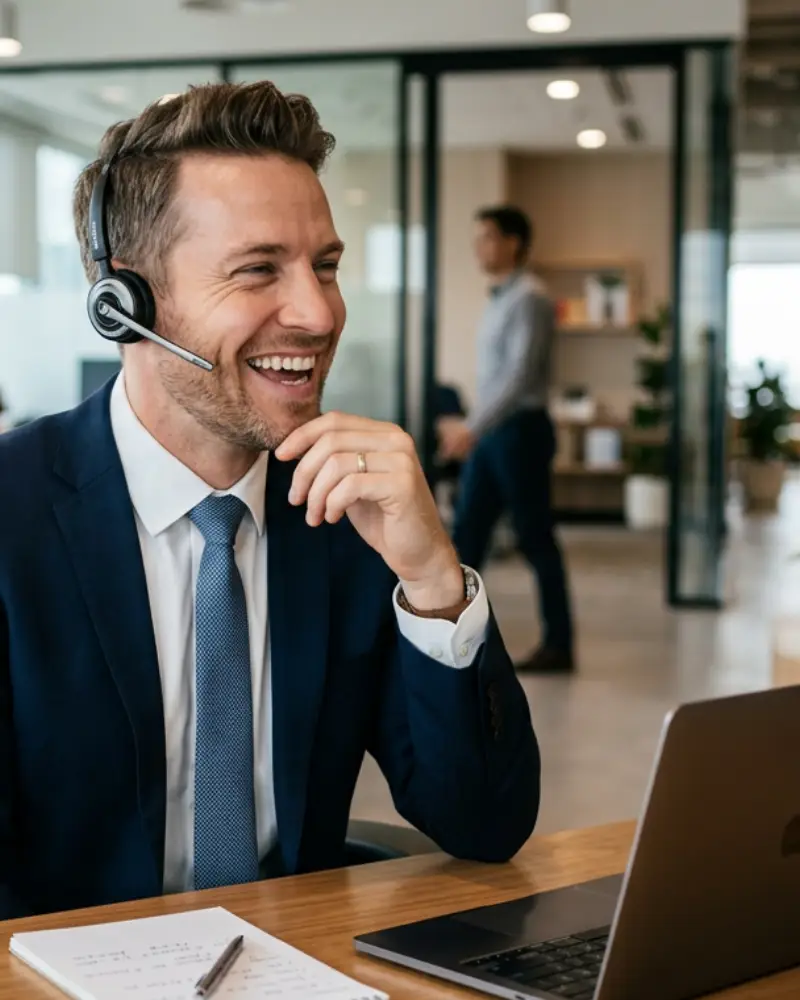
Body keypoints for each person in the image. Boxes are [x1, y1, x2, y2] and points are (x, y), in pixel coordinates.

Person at [0, 84, 540, 921]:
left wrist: (435, 578)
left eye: (325, 266)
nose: (320, 312)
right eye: (259, 270)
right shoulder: (14, 509)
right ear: (125, 303)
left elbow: (487, 822)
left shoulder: (350, 510)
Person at [438, 206, 575, 674]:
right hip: (495, 432)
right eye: (477, 238)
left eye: (488, 238)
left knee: (535, 538)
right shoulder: (499, 298)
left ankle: (559, 643)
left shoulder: (530, 297)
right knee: (467, 536)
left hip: (520, 432)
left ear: (514, 242)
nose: (479, 247)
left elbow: (517, 376)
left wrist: (471, 427)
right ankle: (449, 637)